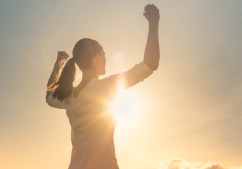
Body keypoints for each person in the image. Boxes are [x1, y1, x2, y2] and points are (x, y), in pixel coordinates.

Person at [45, 4, 160, 169]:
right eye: (103, 53)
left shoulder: (67, 98)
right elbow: (150, 64)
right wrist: (154, 23)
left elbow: (48, 96)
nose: (105, 58)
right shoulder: (104, 88)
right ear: (95, 58)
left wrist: (57, 64)